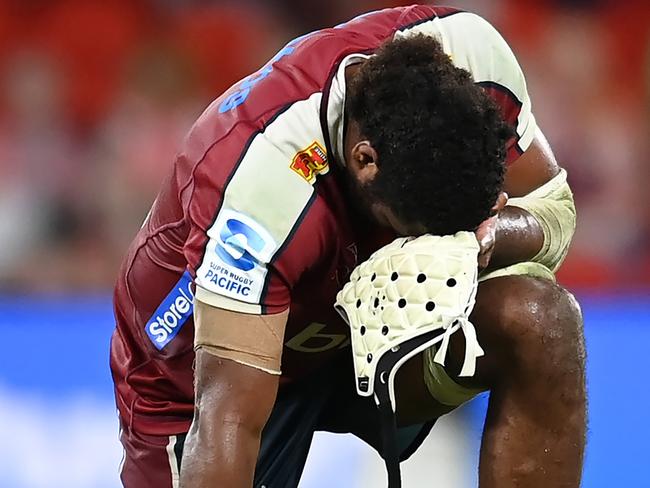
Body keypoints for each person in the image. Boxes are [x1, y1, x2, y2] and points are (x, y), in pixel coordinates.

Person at [110, 5, 585, 488]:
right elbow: (227, 421)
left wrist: (488, 237)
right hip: (204, 366)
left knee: (539, 321)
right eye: (410, 229)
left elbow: (556, 211)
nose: (420, 246)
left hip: (356, 330)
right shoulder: (262, 188)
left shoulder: (476, 65)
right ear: (365, 161)